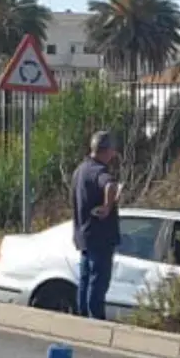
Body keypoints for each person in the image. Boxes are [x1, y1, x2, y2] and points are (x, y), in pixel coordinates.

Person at [71, 131, 121, 319]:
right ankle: (96, 321)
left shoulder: (79, 171)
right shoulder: (98, 170)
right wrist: (108, 207)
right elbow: (110, 185)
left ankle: (83, 319)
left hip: (84, 236)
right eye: (112, 150)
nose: (113, 154)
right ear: (106, 150)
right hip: (100, 237)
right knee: (98, 283)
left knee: (85, 281)